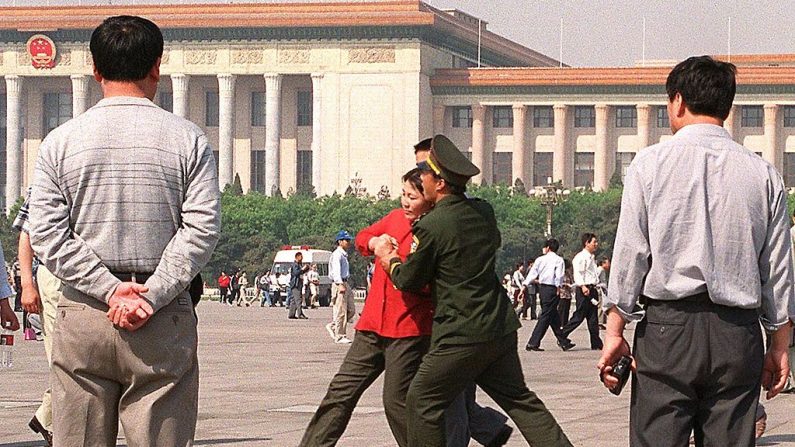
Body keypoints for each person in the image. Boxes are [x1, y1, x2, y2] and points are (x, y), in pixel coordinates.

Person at [28, 15, 221, 446]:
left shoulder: (60, 142)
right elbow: (201, 228)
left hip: (83, 314)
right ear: (157, 66)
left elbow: (46, 233)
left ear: (95, 70)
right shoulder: (188, 139)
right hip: (162, 316)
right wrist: (149, 295)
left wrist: (108, 290)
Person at [599, 56, 794, 447]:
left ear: (677, 101)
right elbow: (777, 271)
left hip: (668, 331)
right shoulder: (763, 174)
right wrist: (779, 346)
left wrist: (614, 330)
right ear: (727, 106)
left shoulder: (648, 165)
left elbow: (630, 254)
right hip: (736, 334)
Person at [374, 135, 571, 447]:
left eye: (425, 173)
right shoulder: (483, 212)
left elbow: (409, 279)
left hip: (460, 333)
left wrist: (390, 261)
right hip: (498, 326)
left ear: (439, 184)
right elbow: (490, 245)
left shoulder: (433, 224)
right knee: (521, 401)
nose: (421, 177)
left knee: (421, 400)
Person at [14, 187, 57, 445]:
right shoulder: (48, 172)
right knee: (62, 360)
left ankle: (47, 417)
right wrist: (27, 285)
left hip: (98, 281)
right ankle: (52, 422)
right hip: (55, 278)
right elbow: (27, 234)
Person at [522, 239, 575, 352]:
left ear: (548, 248)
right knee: (546, 316)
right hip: (552, 289)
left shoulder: (540, 259)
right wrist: (558, 287)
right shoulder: (559, 260)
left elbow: (533, 273)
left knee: (553, 316)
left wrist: (525, 284)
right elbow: (559, 275)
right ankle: (533, 342)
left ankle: (563, 341)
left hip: (543, 289)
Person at [560, 233, 603, 350]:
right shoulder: (580, 257)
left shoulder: (591, 257)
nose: (596, 244)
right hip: (584, 289)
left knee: (593, 318)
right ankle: (562, 335)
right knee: (579, 316)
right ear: (586, 243)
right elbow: (578, 274)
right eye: (594, 242)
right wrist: (583, 286)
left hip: (592, 289)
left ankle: (596, 343)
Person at [327, 230, 355, 344]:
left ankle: (334, 325)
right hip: (340, 283)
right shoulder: (337, 255)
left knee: (351, 310)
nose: (348, 242)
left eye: (349, 240)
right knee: (341, 310)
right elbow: (336, 271)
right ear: (339, 241)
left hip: (345, 282)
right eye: (346, 240)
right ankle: (340, 335)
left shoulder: (344, 254)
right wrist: (339, 284)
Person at [288, 253, 310, 319]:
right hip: (295, 284)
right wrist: (302, 269)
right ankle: (300, 314)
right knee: (298, 300)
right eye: (301, 257)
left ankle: (291, 314)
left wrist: (306, 269)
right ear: (297, 257)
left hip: (298, 284)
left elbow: (300, 272)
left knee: (293, 300)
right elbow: (296, 273)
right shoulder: (295, 265)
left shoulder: (299, 265)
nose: (302, 258)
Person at [557, 261, 574, 327]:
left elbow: (571, 280)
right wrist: (566, 284)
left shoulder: (568, 273)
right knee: (561, 309)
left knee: (566, 309)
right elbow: (558, 282)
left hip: (568, 294)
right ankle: (560, 323)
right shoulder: (560, 273)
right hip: (562, 293)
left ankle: (565, 323)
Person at [595, 256, 610, 328]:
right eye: (607, 263)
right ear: (603, 263)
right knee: (600, 306)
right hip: (600, 290)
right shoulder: (600, 270)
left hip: (603, 289)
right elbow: (595, 280)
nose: (609, 264)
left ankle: (601, 321)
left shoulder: (602, 270)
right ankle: (598, 322)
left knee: (603, 305)